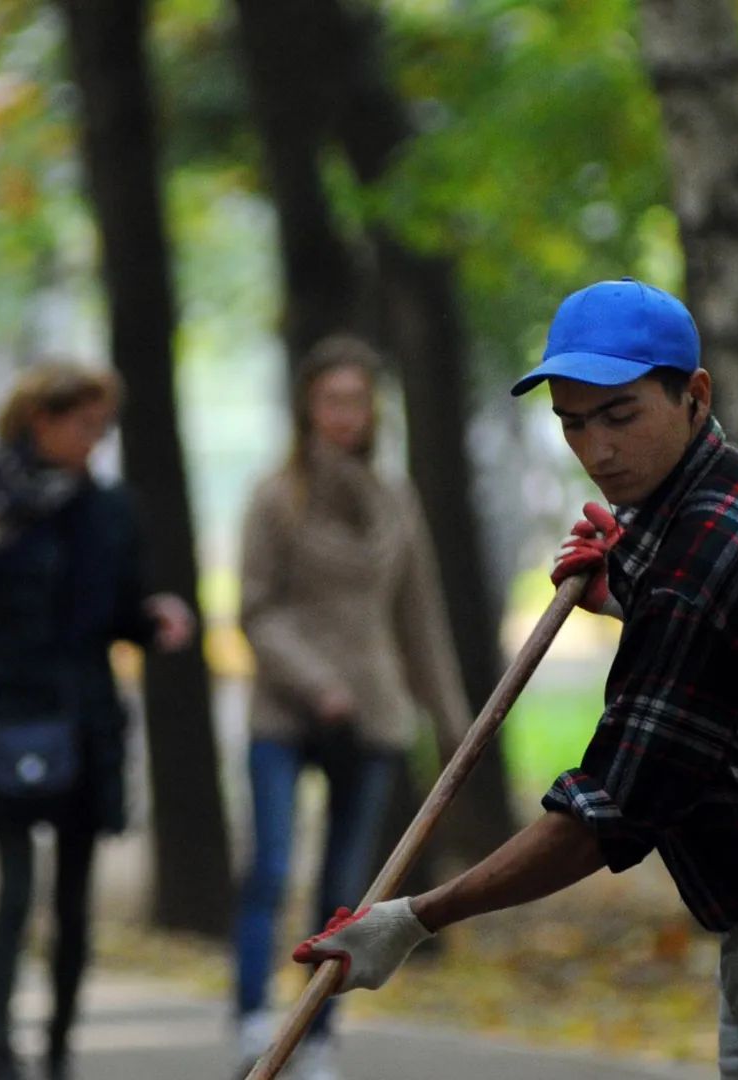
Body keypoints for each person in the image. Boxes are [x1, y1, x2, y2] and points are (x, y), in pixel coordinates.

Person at [289, 279, 738, 1079]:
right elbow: (723, 648)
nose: (597, 451)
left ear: (693, 394)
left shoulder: (700, 560)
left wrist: (415, 918)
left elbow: (605, 817)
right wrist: (622, 587)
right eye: (573, 422)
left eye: (621, 415)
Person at [0, 361, 195, 1080]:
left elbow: (125, 608)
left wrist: (155, 619)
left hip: (86, 715)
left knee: (75, 896)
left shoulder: (112, 506)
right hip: (8, 707)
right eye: (83, 423)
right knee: (16, 885)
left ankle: (59, 1047)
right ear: (40, 420)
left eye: (102, 426)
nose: (95, 439)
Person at [230, 335, 472, 1080]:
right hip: (285, 710)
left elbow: (419, 616)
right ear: (309, 406)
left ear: (374, 411)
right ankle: (251, 1021)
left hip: (371, 715)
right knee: (269, 868)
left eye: (357, 400)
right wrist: (313, 682)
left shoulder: (397, 498)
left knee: (346, 892)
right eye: (331, 399)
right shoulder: (276, 496)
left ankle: (319, 1033)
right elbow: (256, 609)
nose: (344, 414)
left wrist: (456, 722)